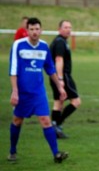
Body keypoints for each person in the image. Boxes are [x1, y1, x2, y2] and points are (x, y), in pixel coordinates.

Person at [8, 17, 69, 163]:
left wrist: (60, 87)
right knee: (17, 120)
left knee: (45, 120)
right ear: (27, 30)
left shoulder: (44, 46)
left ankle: (56, 154)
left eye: (37, 29)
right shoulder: (18, 45)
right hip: (22, 92)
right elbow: (13, 70)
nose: (34, 32)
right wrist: (15, 91)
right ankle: (12, 151)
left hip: (38, 92)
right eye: (31, 29)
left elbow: (50, 68)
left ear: (41, 30)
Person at [49, 20, 81, 139]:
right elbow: (58, 60)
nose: (68, 29)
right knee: (76, 101)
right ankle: (58, 125)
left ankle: (55, 127)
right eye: (66, 27)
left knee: (59, 102)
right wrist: (61, 78)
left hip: (55, 76)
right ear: (59, 29)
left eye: (70, 27)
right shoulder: (60, 42)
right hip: (63, 76)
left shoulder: (60, 41)